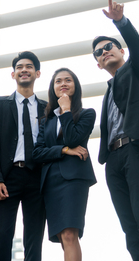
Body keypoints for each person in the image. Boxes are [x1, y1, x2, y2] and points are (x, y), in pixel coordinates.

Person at [92, 0, 139, 261]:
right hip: (114, 159)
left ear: (120, 50)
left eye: (109, 46)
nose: (105, 51)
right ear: (99, 64)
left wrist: (121, 23)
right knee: (130, 228)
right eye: (99, 52)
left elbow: (138, 46)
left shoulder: (137, 71)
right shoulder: (108, 91)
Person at [0, 51, 47, 261]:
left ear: (37, 73)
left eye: (28, 67)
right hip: (7, 178)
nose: (24, 70)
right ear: (13, 75)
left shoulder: (48, 109)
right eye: (19, 67)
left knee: (34, 238)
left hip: (37, 178)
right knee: (2, 236)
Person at [33, 68, 96, 261]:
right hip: (51, 181)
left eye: (68, 80)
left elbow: (73, 137)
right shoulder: (47, 121)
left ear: (75, 86)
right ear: (53, 88)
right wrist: (64, 150)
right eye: (58, 81)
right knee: (62, 237)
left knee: (70, 234)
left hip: (74, 179)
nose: (63, 84)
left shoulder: (87, 114)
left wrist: (66, 111)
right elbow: (37, 152)